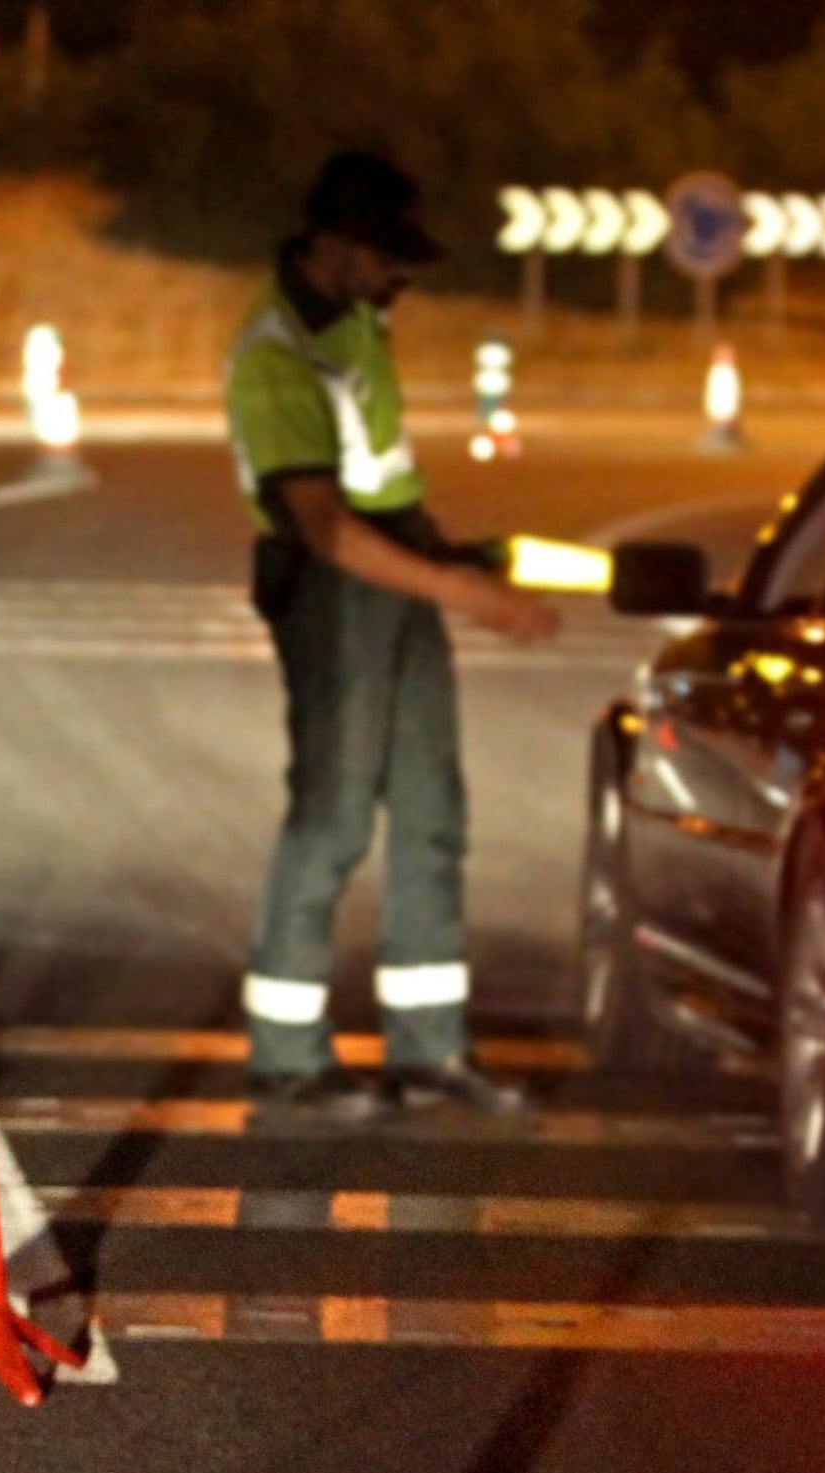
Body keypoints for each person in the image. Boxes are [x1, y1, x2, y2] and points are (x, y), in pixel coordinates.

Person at [226, 150, 559, 1117]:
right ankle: (286, 1054)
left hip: (399, 564)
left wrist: (447, 559)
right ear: (333, 247)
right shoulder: (276, 356)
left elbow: (376, 472)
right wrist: (467, 594)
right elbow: (324, 526)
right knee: (332, 814)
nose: (403, 278)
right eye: (388, 258)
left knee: (431, 813)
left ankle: (429, 1051)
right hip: (336, 588)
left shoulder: (358, 315)